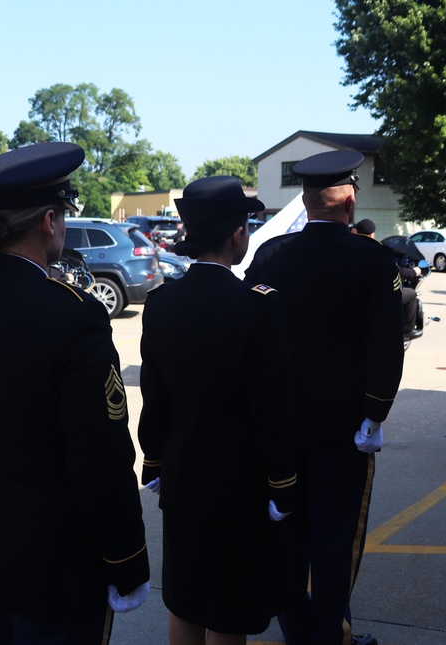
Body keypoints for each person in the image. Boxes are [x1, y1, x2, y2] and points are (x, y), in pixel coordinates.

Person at [0, 142, 150, 645]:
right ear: (49, 221)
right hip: (51, 562)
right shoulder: (73, 313)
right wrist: (126, 559)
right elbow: (101, 456)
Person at [245, 150, 404, 645]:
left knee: (288, 539)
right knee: (335, 542)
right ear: (350, 200)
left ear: (307, 200)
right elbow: (387, 346)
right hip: (343, 430)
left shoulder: (271, 256)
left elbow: (251, 342)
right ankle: (328, 635)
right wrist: (374, 414)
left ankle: (298, 630)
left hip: (282, 428)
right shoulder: (373, 260)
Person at [137, 176, 297, 645]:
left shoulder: (162, 302)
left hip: (184, 474)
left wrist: (155, 460)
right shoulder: (257, 307)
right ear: (237, 235)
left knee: (185, 598)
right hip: (238, 481)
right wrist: (281, 481)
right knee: (229, 606)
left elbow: (155, 394)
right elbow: (271, 406)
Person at [353, 219, 421, 340]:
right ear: (372, 234)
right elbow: (397, 271)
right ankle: (408, 331)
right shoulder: (378, 250)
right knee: (411, 294)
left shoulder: (348, 246)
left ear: (356, 231)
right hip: (376, 297)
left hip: (354, 296)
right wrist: (414, 271)